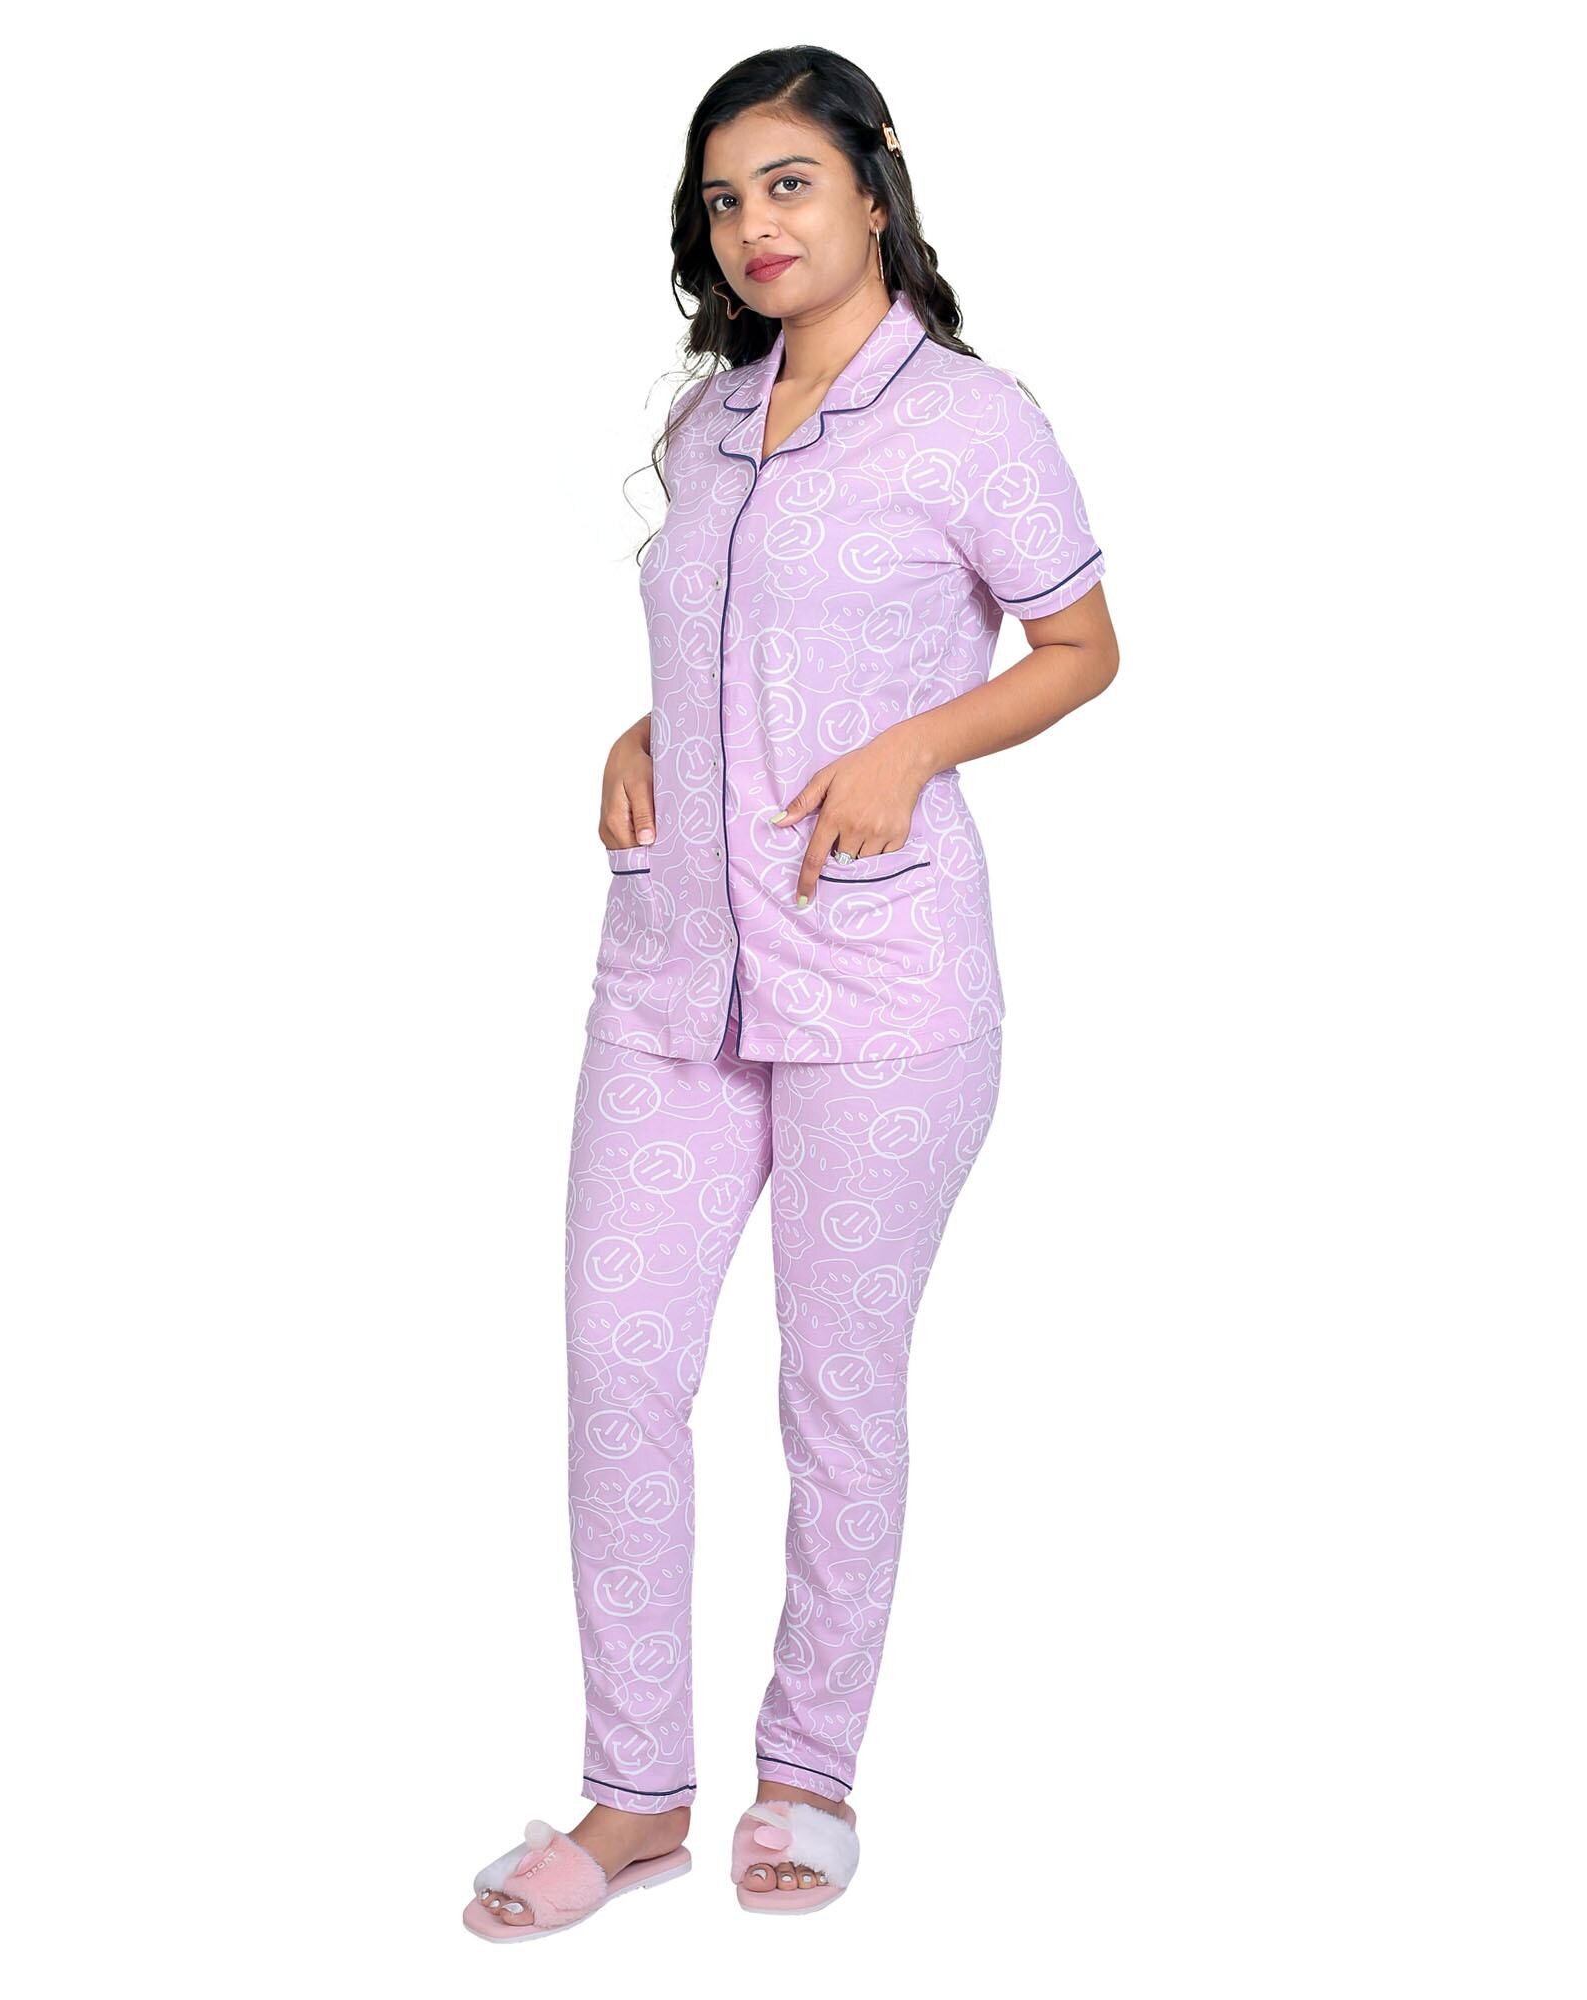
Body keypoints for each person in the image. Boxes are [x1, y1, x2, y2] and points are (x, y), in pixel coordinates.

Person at [464, 44, 1120, 1941]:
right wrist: (647, 728)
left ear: (873, 186)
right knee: (617, 1362)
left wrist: (916, 746)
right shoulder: (710, 421)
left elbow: (1080, 643)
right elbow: (733, 646)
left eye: (789, 184)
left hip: (882, 980)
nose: (756, 224)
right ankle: (635, 1795)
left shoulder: (974, 419)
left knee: (833, 1387)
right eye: (726, 197)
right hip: (677, 970)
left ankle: (810, 1775)